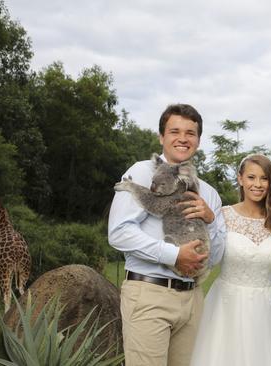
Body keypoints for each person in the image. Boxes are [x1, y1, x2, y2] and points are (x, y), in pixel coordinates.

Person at [108, 103, 226, 366]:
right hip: (150, 294)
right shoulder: (141, 172)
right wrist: (174, 255)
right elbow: (118, 233)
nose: (183, 138)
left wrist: (210, 219)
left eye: (190, 133)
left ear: (198, 140)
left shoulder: (208, 193)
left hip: (193, 298)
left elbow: (215, 256)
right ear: (162, 137)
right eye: (174, 131)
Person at [190, 154, 271, 365]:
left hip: (267, 309)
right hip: (227, 307)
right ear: (240, 179)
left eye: (264, 178)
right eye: (251, 177)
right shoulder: (222, 215)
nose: (257, 184)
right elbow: (206, 255)